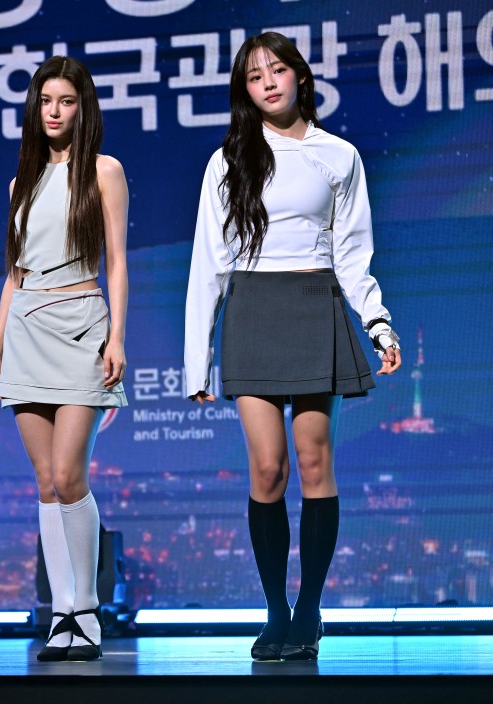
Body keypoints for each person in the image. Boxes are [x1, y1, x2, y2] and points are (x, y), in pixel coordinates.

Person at [184, 32, 402, 661]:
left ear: (300, 77)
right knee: (267, 469)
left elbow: (354, 254)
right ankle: (275, 608)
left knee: (313, 466)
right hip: (251, 310)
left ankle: (310, 608)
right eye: (255, 77)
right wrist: (197, 359)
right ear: (245, 91)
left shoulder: (340, 155)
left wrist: (378, 324)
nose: (269, 83)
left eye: (278, 70)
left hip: (315, 307)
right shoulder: (228, 159)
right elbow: (209, 263)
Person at [0, 56, 128, 663]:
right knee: (45, 483)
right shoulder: (22, 181)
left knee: (71, 476)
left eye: (66, 101)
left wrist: (117, 337)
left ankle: (87, 611)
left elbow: (117, 260)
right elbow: (12, 274)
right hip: (24, 332)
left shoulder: (104, 171)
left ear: (82, 107)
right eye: (46, 101)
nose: (54, 111)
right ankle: (61, 613)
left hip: (81, 323)